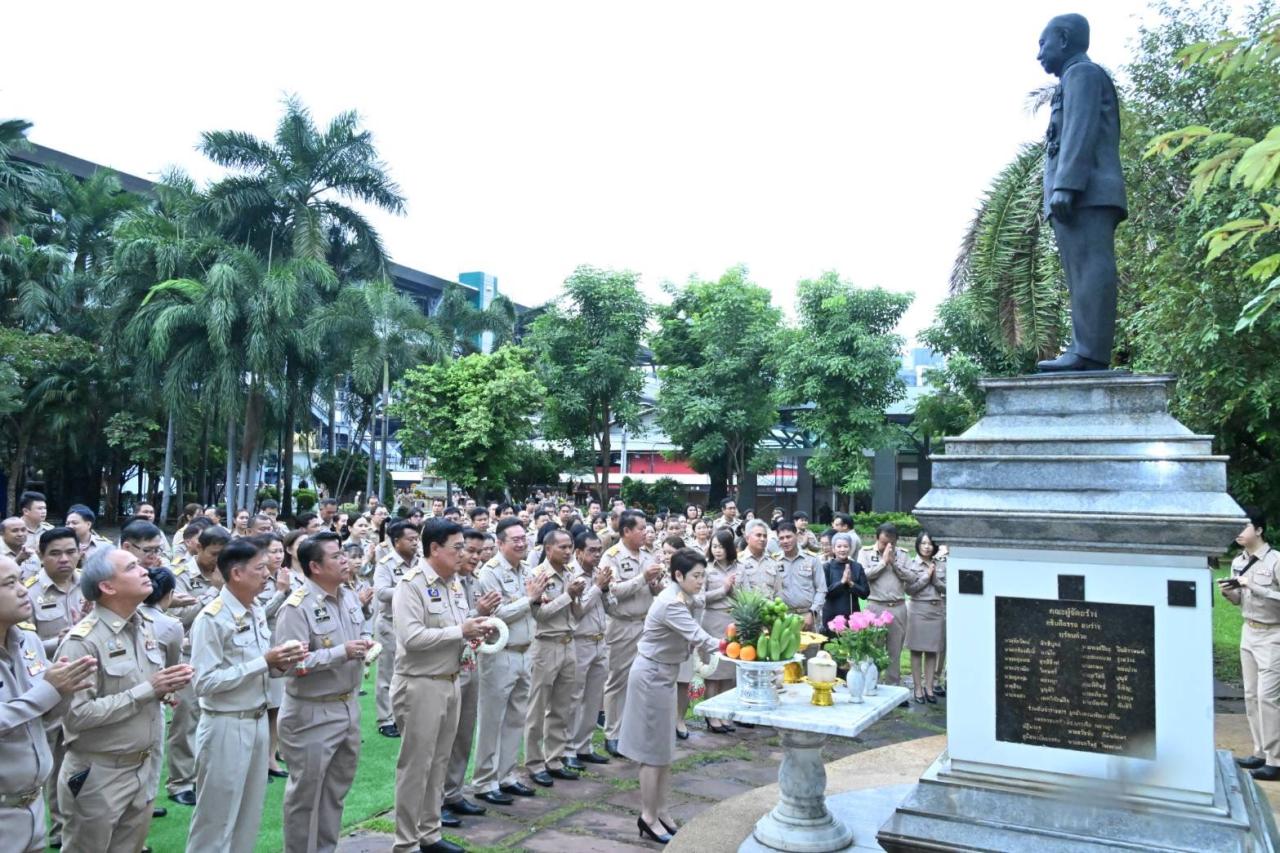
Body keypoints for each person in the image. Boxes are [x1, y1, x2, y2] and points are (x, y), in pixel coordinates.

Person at [55, 547, 194, 852]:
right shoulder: (83, 641)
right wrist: (148, 690)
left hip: (142, 768)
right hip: (99, 773)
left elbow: (140, 685)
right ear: (107, 586)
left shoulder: (141, 625)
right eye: (132, 567)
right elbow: (76, 716)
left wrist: (163, 691)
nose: (145, 569)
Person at [187, 536, 307, 853]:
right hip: (225, 723)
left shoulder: (253, 610)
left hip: (256, 721)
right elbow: (204, 682)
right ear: (237, 573)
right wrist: (263, 662)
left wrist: (281, 663)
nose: (268, 574)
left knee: (247, 815)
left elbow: (260, 665)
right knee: (215, 819)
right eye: (260, 568)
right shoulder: (212, 618)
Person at [390, 519, 493, 853]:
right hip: (420, 685)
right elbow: (412, 637)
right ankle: (406, 843)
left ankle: (430, 833)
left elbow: (455, 630)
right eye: (457, 547)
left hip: (449, 681)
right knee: (416, 766)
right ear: (434, 548)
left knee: (439, 762)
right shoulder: (412, 584)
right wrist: (460, 631)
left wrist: (474, 633)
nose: (463, 554)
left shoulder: (452, 584)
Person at [1035, 13, 1127, 372]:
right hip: (1083, 194)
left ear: (1064, 38)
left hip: (1087, 193)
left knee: (1089, 269)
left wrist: (1066, 186)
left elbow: (1079, 130)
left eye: (1042, 43)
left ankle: (1088, 353)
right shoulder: (1073, 77)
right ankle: (1084, 349)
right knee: (1080, 272)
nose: (1038, 53)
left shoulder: (1083, 75)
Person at [273, 530, 375, 853]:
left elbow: (359, 632)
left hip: (347, 707)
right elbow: (289, 665)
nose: (345, 560)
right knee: (305, 797)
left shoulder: (347, 596)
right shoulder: (296, 607)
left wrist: (364, 645)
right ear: (315, 567)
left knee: (334, 792)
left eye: (343, 553)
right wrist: (342, 652)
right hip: (311, 712)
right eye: (336, 556)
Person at [620, 548, 721, 844]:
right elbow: (699, 637)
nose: (701, 581)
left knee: (664, 749)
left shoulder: (683, 596)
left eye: (704, 575)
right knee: (652, 752)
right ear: (678, 575)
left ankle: (660, 810)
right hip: (652, 676)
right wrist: (734, 646)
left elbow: (699, 605)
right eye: (696, 576)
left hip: (664, 674)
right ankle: (648, 816)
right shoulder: (671, 604)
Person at [0, 554, 96, 853]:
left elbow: (42, 715)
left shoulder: (28, 642)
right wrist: (48, 691)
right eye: (9, 583)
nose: (22, 590)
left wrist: (65, 690)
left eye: (19, 579)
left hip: (31, 806)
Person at [472, 519, 542, 804]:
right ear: (500, 543)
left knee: (516, 718)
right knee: (492, 720)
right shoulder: (490, 573)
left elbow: (530, 608)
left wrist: (537, 601)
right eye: (515, 539)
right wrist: (529, 599)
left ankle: (507, 775)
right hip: (500, 653)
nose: (522, 543)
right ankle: (484, 781)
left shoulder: (527, 569)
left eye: (524, 538)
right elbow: (495, 614)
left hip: (525, 651)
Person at [24, 527, 87, 843]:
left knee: (80, 765)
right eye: (55, 553)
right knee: (44, 765)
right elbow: (23, 647)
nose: (64, 559)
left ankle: (70, 825)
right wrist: (57, 642)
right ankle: (49, 828)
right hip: (47, 694)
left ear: (80, 552)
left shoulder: (91, 586)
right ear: (40, 556)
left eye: (70, 552)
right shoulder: (29, 592)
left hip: (85, 692)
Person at [167, 524, 231, 806]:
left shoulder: (230, 573)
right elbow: (173, 619)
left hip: (223, 655)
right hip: (188, 656)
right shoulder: (179, 576)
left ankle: (209, 774)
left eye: (223, 554)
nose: (218, 560)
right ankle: (180, 782)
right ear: (198, 548)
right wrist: (215, 594)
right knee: (187, 720)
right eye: (214, 554)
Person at [443, 528, 501, 820]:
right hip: (445, 668)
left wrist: (486, 622)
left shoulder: (475, 581)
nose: (477, 558)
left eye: (482, 552)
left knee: (464, 734)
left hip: (470, 663)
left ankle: (453, 794)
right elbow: (449, 626)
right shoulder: (445, 583)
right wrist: (477, 612)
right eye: (472, 551)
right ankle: (435, 802)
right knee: (443, 739)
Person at [1220, 506, 1280, 780]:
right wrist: (1230, 594)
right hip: (1249, 631)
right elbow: (1240, 602)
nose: (1238, 533)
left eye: (1244, 527)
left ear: (1259, 529)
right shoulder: (1237, 561)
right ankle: (1259, 752)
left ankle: (1276, 760)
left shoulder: (1276, 561)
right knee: (1251, 695)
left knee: (1269, 698)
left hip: (1273, 634)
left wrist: (1256, 587)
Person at [524, 528, 586, 786]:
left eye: (570, 546)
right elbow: (540, 615)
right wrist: (567, 595)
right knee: (538, 707)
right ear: (548, 549)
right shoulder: (537, 576)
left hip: (568, 642)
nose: (568, 551)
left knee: (563, 705)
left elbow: (578, 613)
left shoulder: (572, 573)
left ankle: (556, 758)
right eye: (562, 547)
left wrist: (575, 598)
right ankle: (534, 762)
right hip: (546, 645)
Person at [601, 510, 660, 756]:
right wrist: (642, 578)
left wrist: (656, 584)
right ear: (626, 531)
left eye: (646, 528)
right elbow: (612, 591)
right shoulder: (611, 556)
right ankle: (613, 733)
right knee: (618, 680)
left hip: (645, 624)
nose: (645, 532)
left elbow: (655, 589)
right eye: (641, 528)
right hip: (622, 625)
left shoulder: (648, 554)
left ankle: (634, 730)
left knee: (643, 679)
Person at [566, 531, 612, 765]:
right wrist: (596, 587)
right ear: (579, 552)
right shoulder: (572, 575)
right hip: (579, 641)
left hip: (600, 640)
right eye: (591, 550)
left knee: (594, 697)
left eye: (598, 550)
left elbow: (611, 607)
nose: (596, 555)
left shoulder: (598, 574)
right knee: (574, 697)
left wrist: (605, 589)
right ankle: (567, 749)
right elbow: (579, 609)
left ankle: (584, 745)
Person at [373, 520, 421, 738]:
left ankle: (406, 714)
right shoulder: (386, 564)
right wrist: (409, 591)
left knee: (412, 671)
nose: (415, 543)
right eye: (410, 539)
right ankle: (385, 718)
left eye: (416, 539)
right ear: (396, 542)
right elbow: (381, 592)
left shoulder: (421, 562)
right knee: (388, 673)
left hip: (415, 624)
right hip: (390, 624)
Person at [254, 531, 293, 779]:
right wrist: (280, 592)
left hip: (282, 647)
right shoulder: (257, 579)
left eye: (280, 551)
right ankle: (258, 762)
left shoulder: (287, 576)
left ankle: (271, 758)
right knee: (261, 706)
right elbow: (260, 614)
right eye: (272, 551)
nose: (278, 556)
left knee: (276, 707)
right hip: (262, 650)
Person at [860, 523, 912, 689]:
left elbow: (911, 577)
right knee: (873, 648)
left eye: (892, 543)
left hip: (897, 607)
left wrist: (894, 563)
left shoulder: (903, 554)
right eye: (884, 543)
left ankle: (893, 687)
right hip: (875, 606)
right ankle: (871, 685)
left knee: (895, 651)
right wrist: (883, 563)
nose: (888, 547)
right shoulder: (866, 552)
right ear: (877, 539)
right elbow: (863, 575)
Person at [701, 529, 739, 732]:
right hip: (712, 619)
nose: (717, 550)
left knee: (728, 671)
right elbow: (700, 598)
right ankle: (711, 715)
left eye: (721, 546)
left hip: (732, 620)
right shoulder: (706, 569)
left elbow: (747, 592)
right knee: (713, 670)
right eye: (714, 546)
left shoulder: (739, 568)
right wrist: (722, 590)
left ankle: (724, 713)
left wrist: (734, 590)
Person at [905, 531, 946, 705]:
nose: (927, 547)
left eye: (930, 543)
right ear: (918, 545)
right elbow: (909, 589)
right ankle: (917, 688)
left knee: (932, 651)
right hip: (918, 609)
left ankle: (929, 687)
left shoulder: (942, 564)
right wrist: (925, 577)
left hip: (936, 610)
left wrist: (935, 579)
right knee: (916, 650)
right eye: (923, 543)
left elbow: (947, 588)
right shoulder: (912, 564)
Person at [775, 521, 826, 631]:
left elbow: (821, 589)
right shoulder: (774, 561)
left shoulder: (812, 559)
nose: (785, 541)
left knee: (810, 648)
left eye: (788, 537)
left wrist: (812, 613)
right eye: (781, 538)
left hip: (808, 616)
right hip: (783, 617)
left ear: (796, 536)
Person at [822, 532, 869, 636]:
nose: (842, 549)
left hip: (852, 616)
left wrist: (851, 584)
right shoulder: (827, 567)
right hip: (831, 616)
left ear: (850, 548)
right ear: (833, 549)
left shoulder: (857, 567)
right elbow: (825, 593)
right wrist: (842, 582)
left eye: (845, 546)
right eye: (839, 546)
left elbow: (865, 593)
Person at [737, 520, 781, 596]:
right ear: (747, 538)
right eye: (758, 535)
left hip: (770, 606)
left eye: (765, 536)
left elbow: (778, 591)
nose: (762, 539)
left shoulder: (773, 561)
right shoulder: (739, 561)